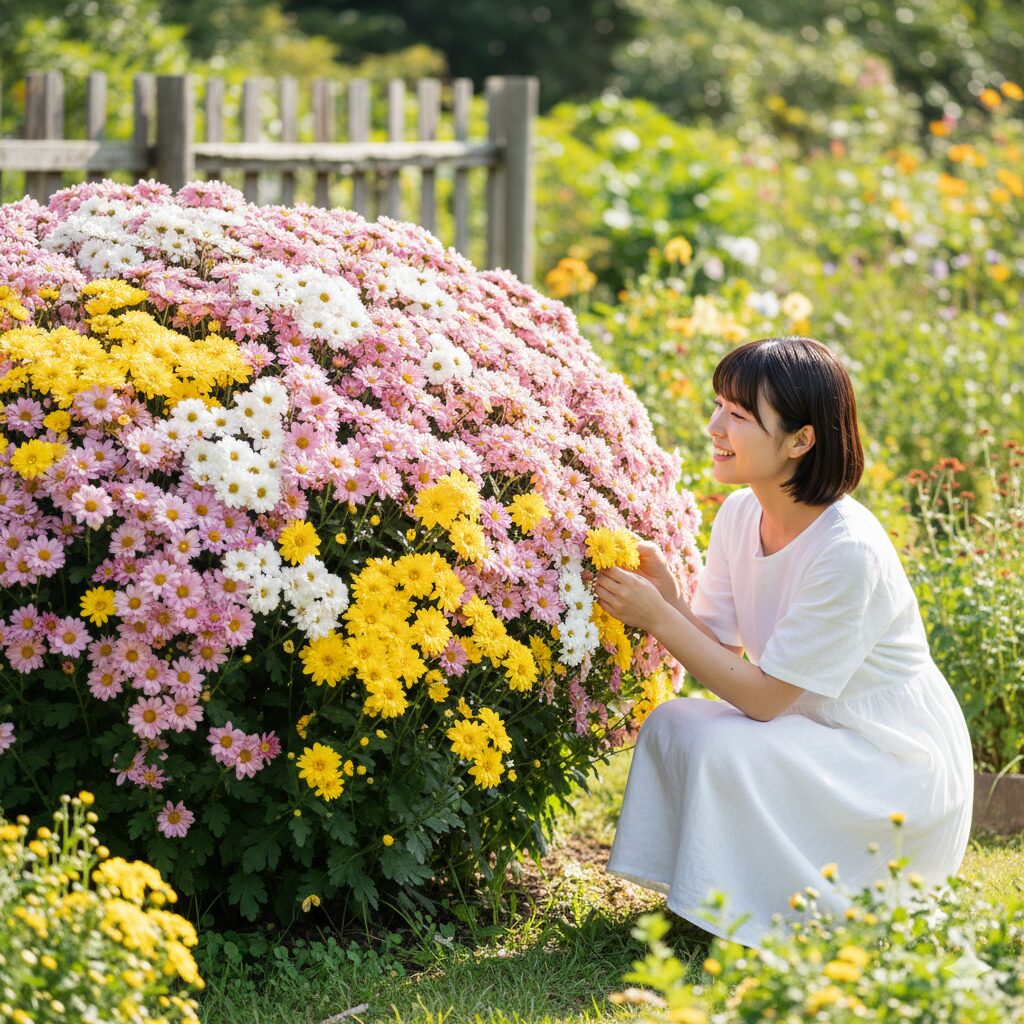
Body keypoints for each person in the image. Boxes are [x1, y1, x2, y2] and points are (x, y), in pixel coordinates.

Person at [598, 336, 974, 949]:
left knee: (725, 747)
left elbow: (765, 700)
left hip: (891, 764)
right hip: (811, 730)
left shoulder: (847, 550)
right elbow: (719, 647)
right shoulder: (742, 512)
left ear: (801, 441)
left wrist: (659, 619)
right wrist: (665, 595)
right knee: (673, 723)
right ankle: (708, 901)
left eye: (740, 416)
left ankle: (772, 910)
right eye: (719, 405)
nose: (716, 425)